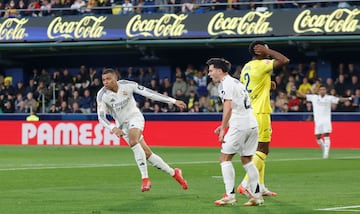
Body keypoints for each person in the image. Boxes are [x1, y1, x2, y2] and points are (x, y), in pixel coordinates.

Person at [96, 68, 188, 192]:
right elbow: (101, 117)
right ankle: (175, 173)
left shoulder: (128, 85)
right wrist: (113, 128)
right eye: (103, 80)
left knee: (134, 141)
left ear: (115, 78)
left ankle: (145, 179)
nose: (105, 82)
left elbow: (150, 93)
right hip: (122, 126)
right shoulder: (102, 95)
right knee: (148, 154)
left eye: (108, 79)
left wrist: (173, 101)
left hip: (135, 117)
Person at [207, 58, 263, 206]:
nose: (209, 73)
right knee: (247, 160)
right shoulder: (236, 82)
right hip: (251, 124)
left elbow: (229, 106)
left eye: (211, 70)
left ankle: (230, 195)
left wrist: (223, 128)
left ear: (219, 71)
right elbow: (237, 106)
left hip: (239, 126)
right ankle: (257, 196)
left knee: (224, 158)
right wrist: (223, 124)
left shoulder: (226, 84)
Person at [238, 40, 290, 197]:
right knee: (263, 150)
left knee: (257, 151)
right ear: (259, 51)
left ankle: (260, 186)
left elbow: (250, 86)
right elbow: (284, 60)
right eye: (265, 49)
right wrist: (269, 51)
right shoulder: (261, 64)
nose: (268, 51)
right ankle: (245, 184)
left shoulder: (246, 67)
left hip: (250, 113)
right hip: (260, 113)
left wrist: (268, 84)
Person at [302, 85, 352, 158]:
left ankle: (326, 154)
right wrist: (296, 91)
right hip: (318, 121)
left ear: (325, 91)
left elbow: (339, 99)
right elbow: (304, 96)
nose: (322, 91)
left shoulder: (329, 98)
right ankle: (324, 149)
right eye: (321, 89)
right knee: (318, 138)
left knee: (326, 136)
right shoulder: (314, 97)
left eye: (324, 89)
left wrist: (348, 98)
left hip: (326, 120)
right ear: (318, 91)